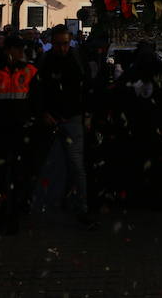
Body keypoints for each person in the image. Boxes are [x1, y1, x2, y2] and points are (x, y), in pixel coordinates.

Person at [38, 25, 93, 225]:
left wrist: (87, 114)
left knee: (76, 164)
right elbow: (39, 89)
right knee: (48, 162)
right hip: (53, 118)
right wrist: (44, 112)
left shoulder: (77, 59)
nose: (63, 48)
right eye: (59, 44)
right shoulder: (46, 61)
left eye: (66, 44)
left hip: (73, 118)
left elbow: (87, 87)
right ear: (52, 43)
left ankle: (81, 206)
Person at [0, 35, 40, 234]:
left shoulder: (30, 71)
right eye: (19, 49)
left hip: (21, 130)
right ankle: (2, 211)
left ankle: (15, 212)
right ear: (9, 50)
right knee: (0, 174)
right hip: (0, 130)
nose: (22, 53)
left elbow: (36, 101)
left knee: (19, 174)